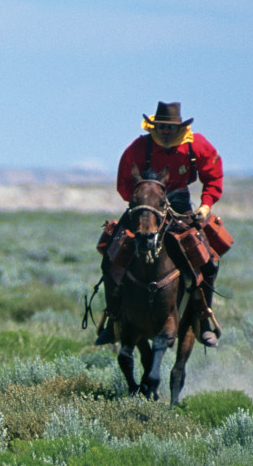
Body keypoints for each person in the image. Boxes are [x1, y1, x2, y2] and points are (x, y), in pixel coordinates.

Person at [95, 101, 224, 347]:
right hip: (145, 206)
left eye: (170, 126)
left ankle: (203, 319)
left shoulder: (196, 145)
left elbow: (214, 176)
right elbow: (124, 182)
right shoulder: (139, 147)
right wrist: (143, 205)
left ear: (179, 127)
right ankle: (114, 321)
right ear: (154, 126)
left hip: (180, 205)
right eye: (161, 126)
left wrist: (205, 206)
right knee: (112, 255)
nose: (165, 131)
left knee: (207, 261)